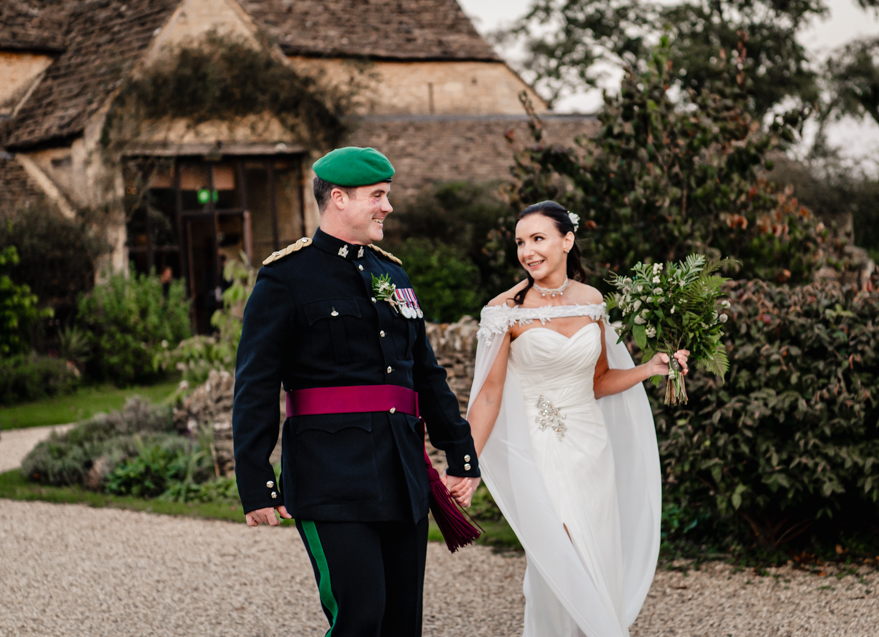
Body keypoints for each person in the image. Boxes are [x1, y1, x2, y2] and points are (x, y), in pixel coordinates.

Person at [232, 146, 480, 637]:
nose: (387, 207)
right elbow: (256, 382)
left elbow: (425, 374)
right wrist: (255, 479)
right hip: (330, 476)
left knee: (401, 624)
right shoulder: (286, 277)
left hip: (402, 472)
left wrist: (461, 454)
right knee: (360, 617)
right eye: (378, 196)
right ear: (339, 198)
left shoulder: (393, 274)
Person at [467, 201, 688, 637]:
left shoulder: (591, 302)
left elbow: (599, 379)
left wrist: (650, 368)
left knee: (595, 553)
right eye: (520, 242)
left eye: (538, 239)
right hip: (539, 448)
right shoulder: (504, 311)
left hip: (591, 448)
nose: (527, 251)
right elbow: (489, 394)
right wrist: (467, 464)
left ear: (567, 240)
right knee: (560, 553)